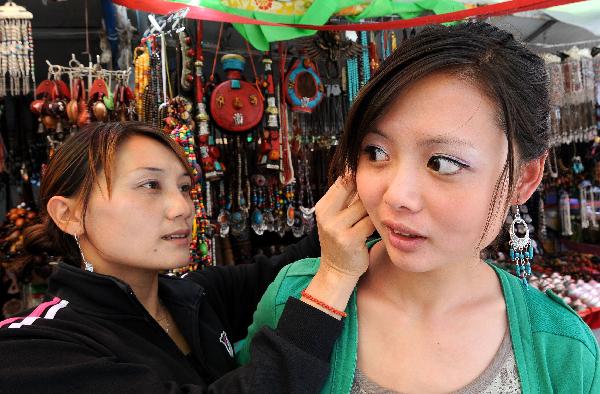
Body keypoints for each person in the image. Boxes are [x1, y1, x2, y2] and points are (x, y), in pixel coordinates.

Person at [238, 21, 600, 393]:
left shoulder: (564, 350)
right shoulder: (296, 301)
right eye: (376, 152)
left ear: (524, 178)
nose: (397, 195)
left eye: (442, 163)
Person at [0, 121, 366, 393]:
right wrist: (334, 278)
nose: (182, 207)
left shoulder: (189, 296)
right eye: (150, 185)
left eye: (185, 188)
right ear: (69, 215)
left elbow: (291, 262)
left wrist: (365, 182)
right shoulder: (32, 348)